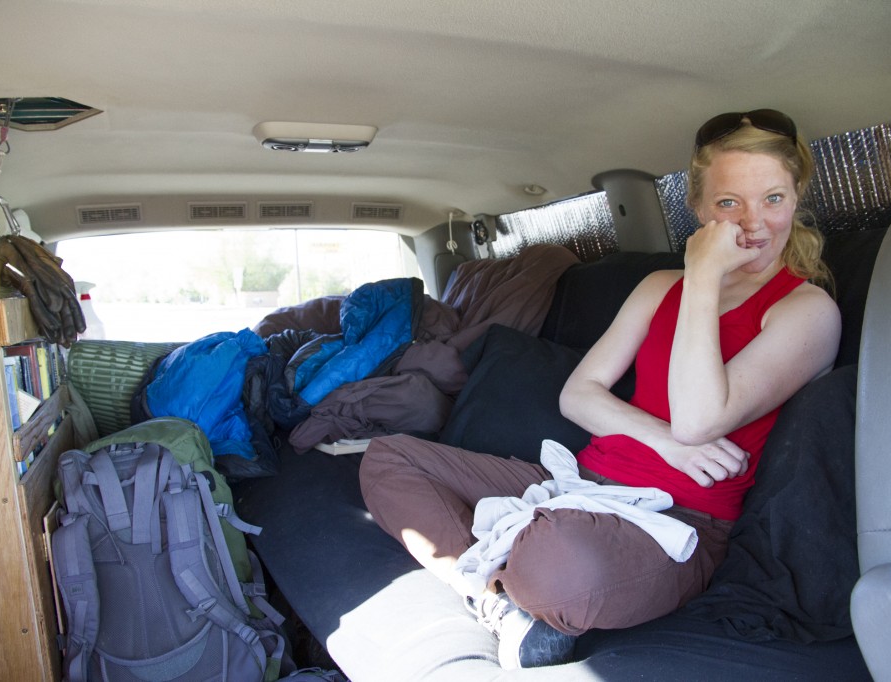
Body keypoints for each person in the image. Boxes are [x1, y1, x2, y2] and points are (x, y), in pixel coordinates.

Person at [359, 108, 841, 669]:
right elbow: (579, 394)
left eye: (773, 199)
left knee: (559, 557)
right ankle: (498, 603)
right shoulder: (660, 286)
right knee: (387, 457)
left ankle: (520, 558)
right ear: (699, 208)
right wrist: (667, 442)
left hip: (676, 522)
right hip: (577, 483)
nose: (752, 223)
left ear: (797, 196)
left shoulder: (806, 311)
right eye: (729, 202)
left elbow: (699, 420)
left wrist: (705, 277)